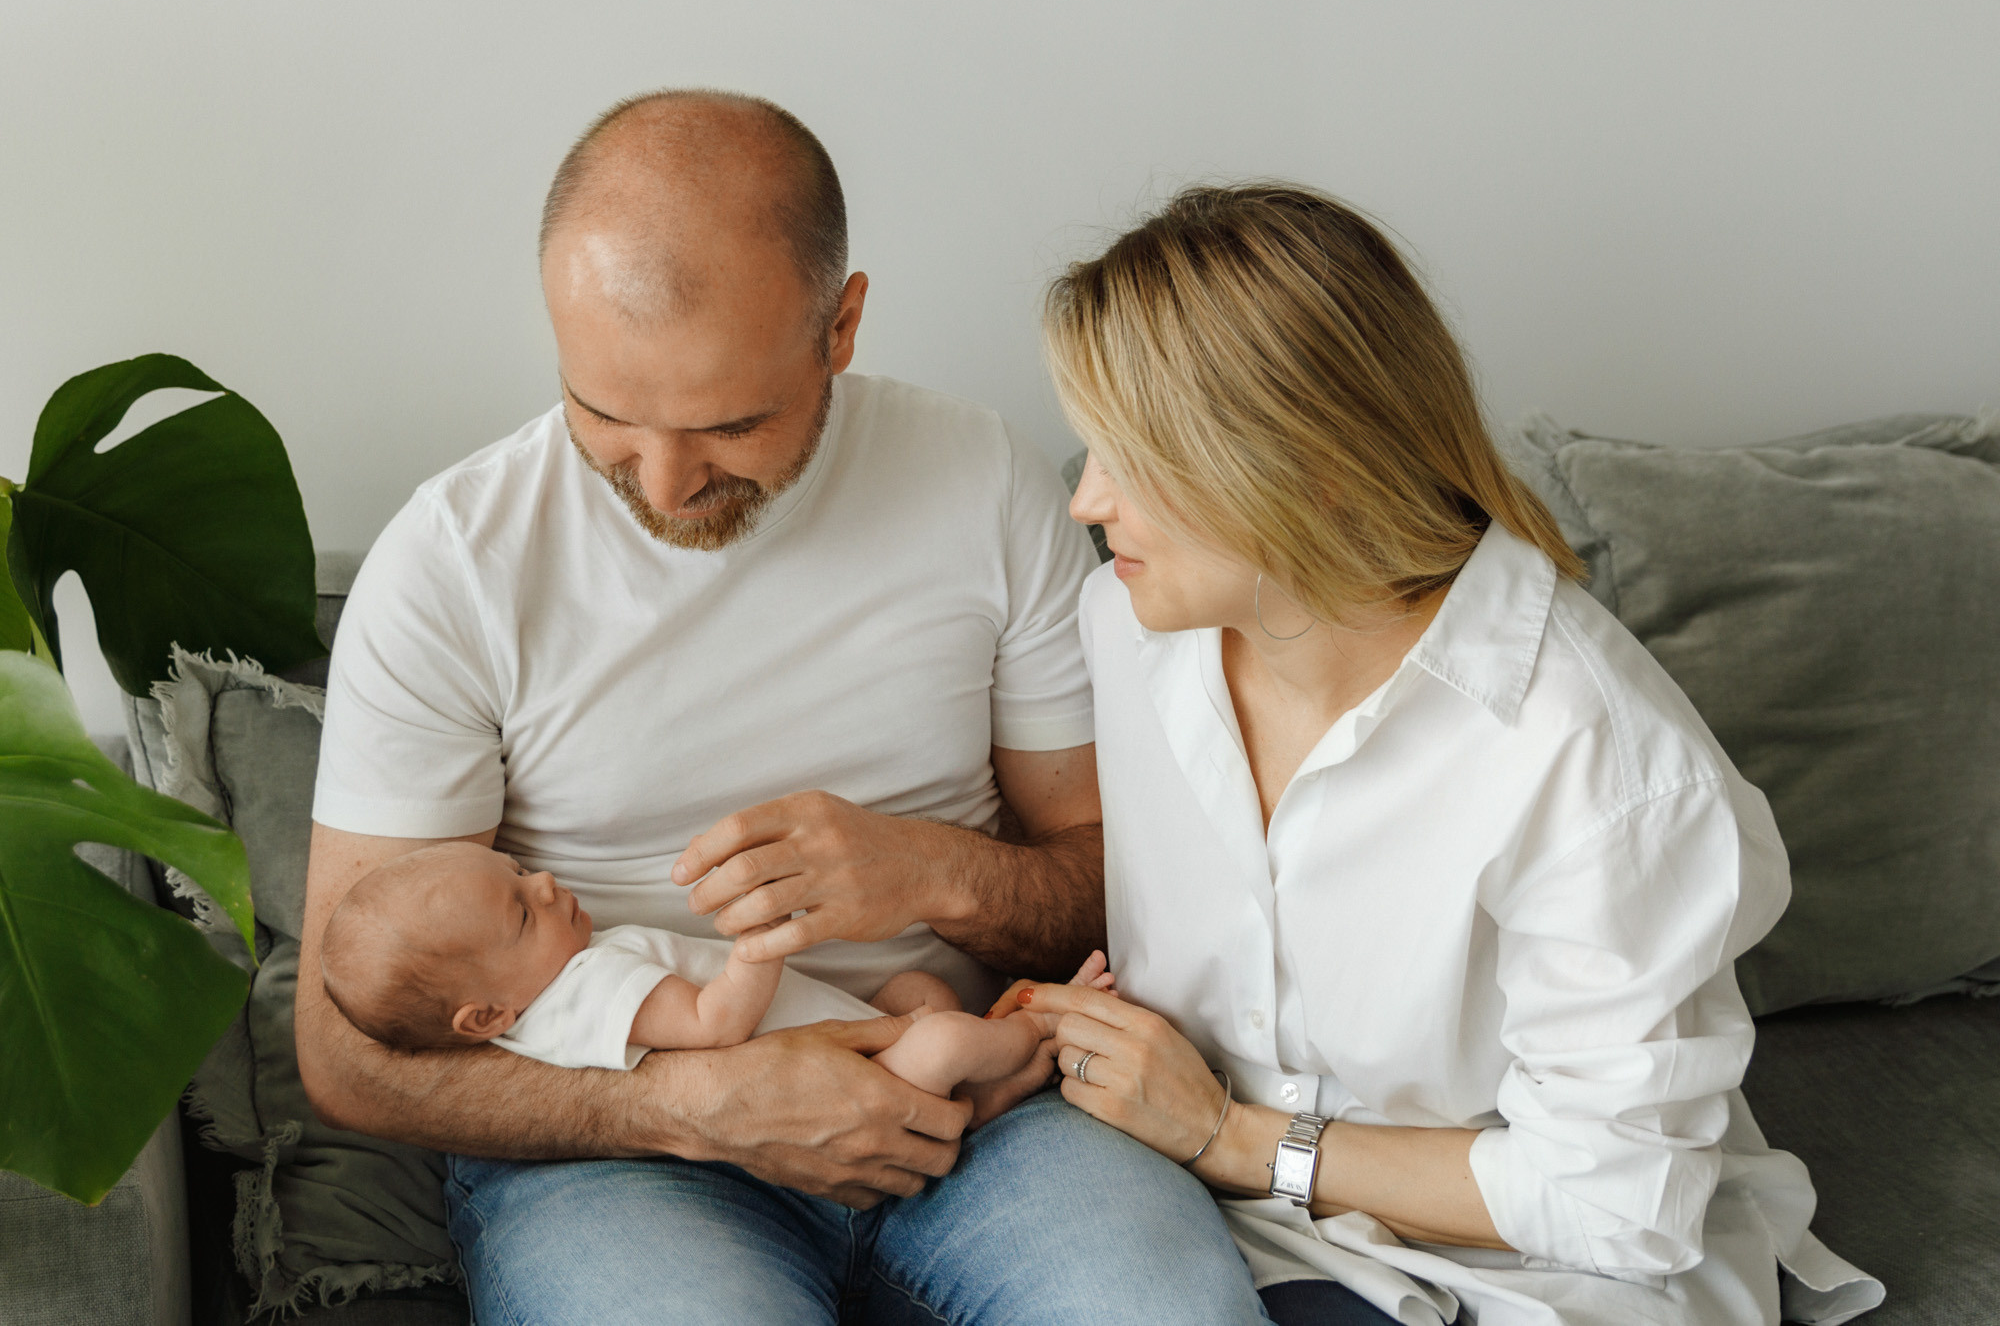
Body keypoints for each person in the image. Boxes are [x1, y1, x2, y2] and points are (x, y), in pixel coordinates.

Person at [295, 90, 1268, 1322]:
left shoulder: (981, 485)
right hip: (619, 1158)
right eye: (603, 413)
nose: (662, 481)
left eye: (728, 424)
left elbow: (1124, 883)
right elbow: (345, 1052)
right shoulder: (451, 565)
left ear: (841, 324)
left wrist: (930, 876)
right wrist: (688, 1106)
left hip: (991, 1114)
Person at [1016, 184, 1884, 1325]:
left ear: (1301, 465)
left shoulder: (1599, 760)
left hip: (1525, 1274)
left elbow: (1612, 1202)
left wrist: (1228, 1134)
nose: (1086, 499)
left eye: (1126, 457)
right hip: (1196, 1227)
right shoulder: (1128, 628)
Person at [317, 840, 1106, 1099]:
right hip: (845, 1078)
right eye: (523, 910)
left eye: (521, 870)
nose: (547, 884)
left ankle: (992, 1089)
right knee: (937, 1041)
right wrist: (762, 935)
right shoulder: (585, 994)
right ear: (486, 1016)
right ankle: (1041, 1023)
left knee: (923, 1000)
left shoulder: (556, 983)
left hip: (850, 1039)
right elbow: (716, 1023)